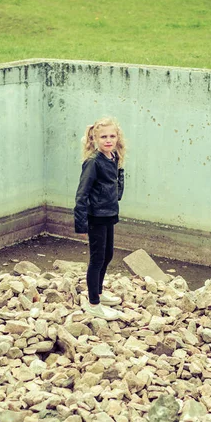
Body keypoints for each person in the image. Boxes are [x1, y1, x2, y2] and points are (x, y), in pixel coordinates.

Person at [74, 117, 126, 321]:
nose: (108, 140)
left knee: (108, 255)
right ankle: (93, 304)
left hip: (109, 213)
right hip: (96, 216)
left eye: (112, 136)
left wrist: (120, 175)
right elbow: (81, 194)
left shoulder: (113, 157)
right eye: (103, 136)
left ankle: (100, 293)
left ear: (117, 138)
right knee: (97, 259)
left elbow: (115, 186)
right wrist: (81, 223)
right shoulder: (93, 162)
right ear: (95, 139)